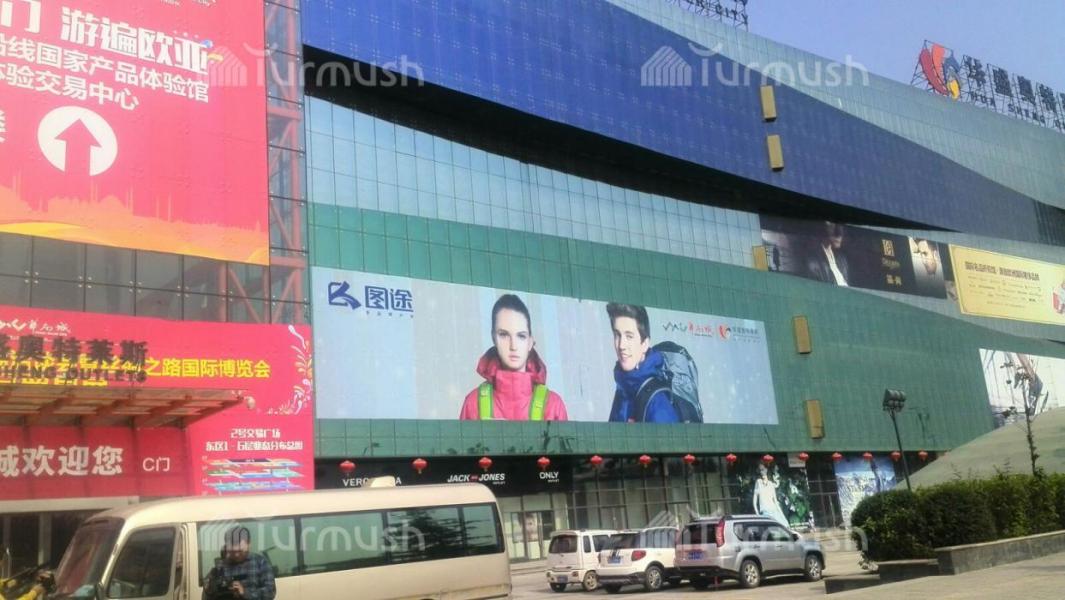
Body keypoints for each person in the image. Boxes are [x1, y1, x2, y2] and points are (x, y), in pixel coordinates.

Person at [459, 294, 568, 420]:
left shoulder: (553, 406)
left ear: (530, 342)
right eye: (503, 334)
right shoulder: (473, 404)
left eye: (521, 336)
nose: (513, 346)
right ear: (493, 338)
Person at [605, 303, 680, 423]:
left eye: (629, 336)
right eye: (617, 335)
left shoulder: (657, 403)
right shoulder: (624, 386)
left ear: (644, 344)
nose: (621, 345)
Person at [204, 527, 275, 600]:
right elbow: (206, 597)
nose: (236, 555)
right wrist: (209, 591)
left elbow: (270, 592)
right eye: (232, 551)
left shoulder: (260, 562)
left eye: (240, 551)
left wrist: (245, 592)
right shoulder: (219, 567)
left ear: (248, 544)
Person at [805, 221, 850, 286]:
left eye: (841, 226)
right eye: (832, 225)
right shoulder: (813, 262)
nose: (839, 234)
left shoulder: (842, 260)